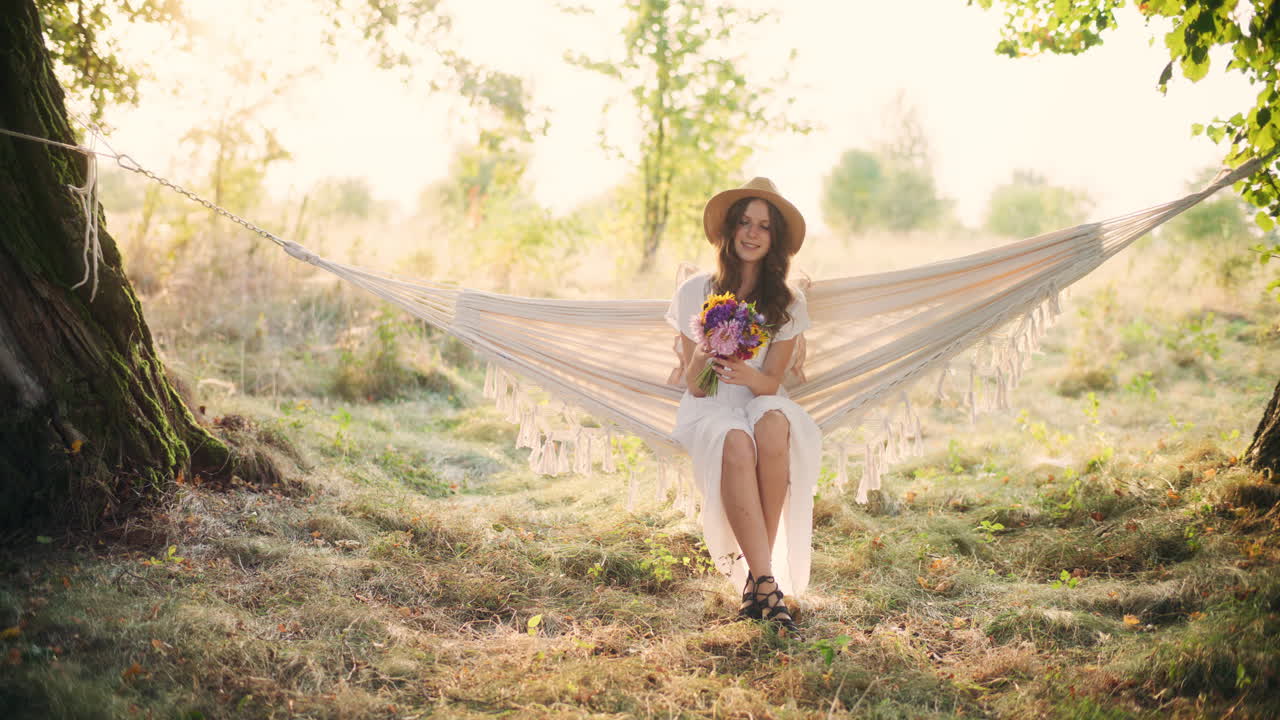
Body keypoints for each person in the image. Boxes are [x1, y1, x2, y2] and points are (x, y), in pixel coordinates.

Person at [664, 177, 822, 634]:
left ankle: (758, 581)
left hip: (760, 395)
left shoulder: (787, 301)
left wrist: (749, 373)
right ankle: (767, 584)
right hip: (711, 403)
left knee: (773, 425)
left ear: (775, 241)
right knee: (736, 441)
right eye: (745, 223)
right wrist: (706, 349)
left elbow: (771, 383)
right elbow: (696, 387)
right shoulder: (696, 291)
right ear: (730, 231)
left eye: (764, 227)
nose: (753, 234)